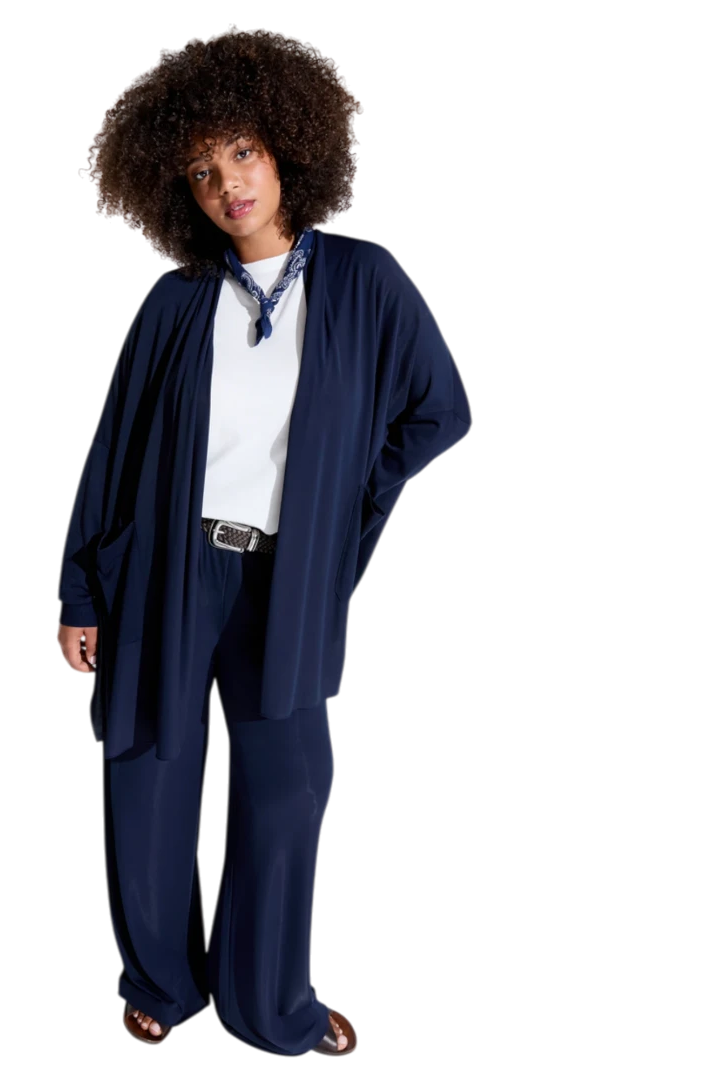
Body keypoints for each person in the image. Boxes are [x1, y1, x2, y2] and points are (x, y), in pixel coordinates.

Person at [55, 26, 471, 1057]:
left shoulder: (365, 281)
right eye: (202, 170)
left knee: (281, 795)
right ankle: (157, 981)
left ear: (287, 148)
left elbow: (441, 409)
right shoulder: (174, 302)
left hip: (287, 578)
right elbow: (109, 453)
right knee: (149, 775)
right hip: (165, 570)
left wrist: (352, 497)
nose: (228, 184)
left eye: (241, 152)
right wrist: (78, 592)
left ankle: (268, 1001)